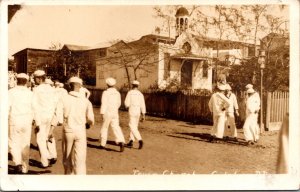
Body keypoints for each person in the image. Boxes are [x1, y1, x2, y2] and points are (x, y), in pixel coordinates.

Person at [60, 77, 94, 175]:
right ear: (80, 86)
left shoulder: (64, 98)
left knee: (67, 156)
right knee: (80, 157)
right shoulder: (86, 101)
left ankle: (68, 177)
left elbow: (58, 116)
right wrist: (88, 124)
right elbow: (91, 119)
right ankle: (80, 179)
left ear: (70, 86)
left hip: (68, 130)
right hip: (80, 131)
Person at [32, 70, 58, 168]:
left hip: (41, 116)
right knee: (49, 135)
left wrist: (36, 121)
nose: (34, 80)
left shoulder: (37, 90)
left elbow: (34, 106)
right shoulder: (52, 89)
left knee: (40, 139)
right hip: (50, 115)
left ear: (39, 79)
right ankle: (53, 154)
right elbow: (56, 103)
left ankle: (45, 160)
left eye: (35, 78)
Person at [8, 73, 34, 174]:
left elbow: (6, 107)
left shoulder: (10, 92)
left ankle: (17, 162)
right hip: (27, 121)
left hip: (14, 120)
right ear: (26, 81)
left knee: (13, 142)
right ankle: (24, 168)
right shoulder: (30, 93)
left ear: (17, 80)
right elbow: (34, 108)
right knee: (25, 143)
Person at [99, 77, 125, 152]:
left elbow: (104, 103)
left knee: (105, 127)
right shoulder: (117, 93)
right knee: (116, 126)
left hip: (107, 112)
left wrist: (102, 113)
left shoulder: (105, 92)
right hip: (115, 112)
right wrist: (115, 109)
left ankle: (102, 144)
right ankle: (121, 141)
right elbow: (119, 103)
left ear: (107, 84)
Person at [124, 80, 146, 149]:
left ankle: (140, 140)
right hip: (138, 112)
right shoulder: (140, 94)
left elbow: (126, 104)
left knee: (131, 126)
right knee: (135, 127)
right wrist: (143, 114)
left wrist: (127, 106)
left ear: (132, 85)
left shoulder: (130, 93)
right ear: (138, 86)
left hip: (132, 111)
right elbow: (143, 105)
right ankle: (131, 141)